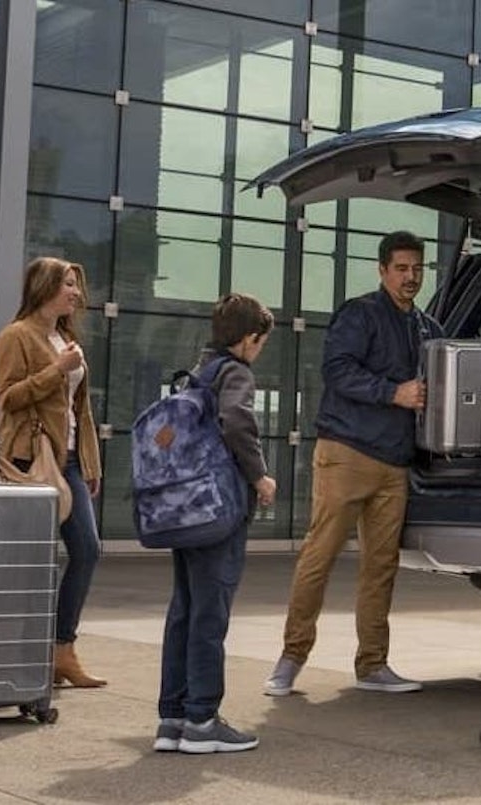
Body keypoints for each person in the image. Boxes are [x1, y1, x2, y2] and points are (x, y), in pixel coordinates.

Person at [266, 231, 439, 697]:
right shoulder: (359, 313)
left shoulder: (428, 327)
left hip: (395, 464)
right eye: (401, 268)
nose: (410, 276)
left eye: (417, 268)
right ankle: (290, 659)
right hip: (347, 453)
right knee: (319, 556)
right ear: (382, 270)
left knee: (381, 567)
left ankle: (372, 666)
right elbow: (337, 371)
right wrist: (394, 392)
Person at [153, 293, 278, 754]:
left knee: (183, 610)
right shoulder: (236, 373)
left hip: (186, 507)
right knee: (211, 612)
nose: (260, 349)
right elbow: (237, 420)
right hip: (218, 509)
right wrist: (259, 475)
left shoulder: (197, 372)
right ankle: (203, 720)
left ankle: (173, 719)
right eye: (261, 342)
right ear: (249, 339)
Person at [0, 257, 107, 688]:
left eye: (77, 285)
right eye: (69, 284)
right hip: (31, 459)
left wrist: (91, 463)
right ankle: (28, 652)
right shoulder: (16, 336)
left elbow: (82, 411)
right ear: (45, 287)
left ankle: (61, 649)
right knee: (31, 562)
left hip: (71, 461)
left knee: (88, 550)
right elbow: (8, 399)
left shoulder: (66, 338)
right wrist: (54, 371)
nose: (77, 293)